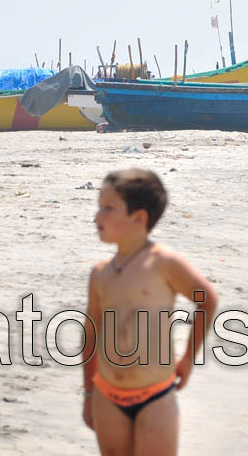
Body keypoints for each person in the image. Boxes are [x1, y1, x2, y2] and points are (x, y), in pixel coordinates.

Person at [82, 168, 219, 456]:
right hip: (106, 396)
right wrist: (88, 392)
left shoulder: (163, 264)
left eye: (108, 208)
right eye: (99, 207)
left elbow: (206, 300)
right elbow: (91, 333)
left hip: (155, 397)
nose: (97, 216)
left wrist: (187, 358)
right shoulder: (100, 274)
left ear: (139, 218)